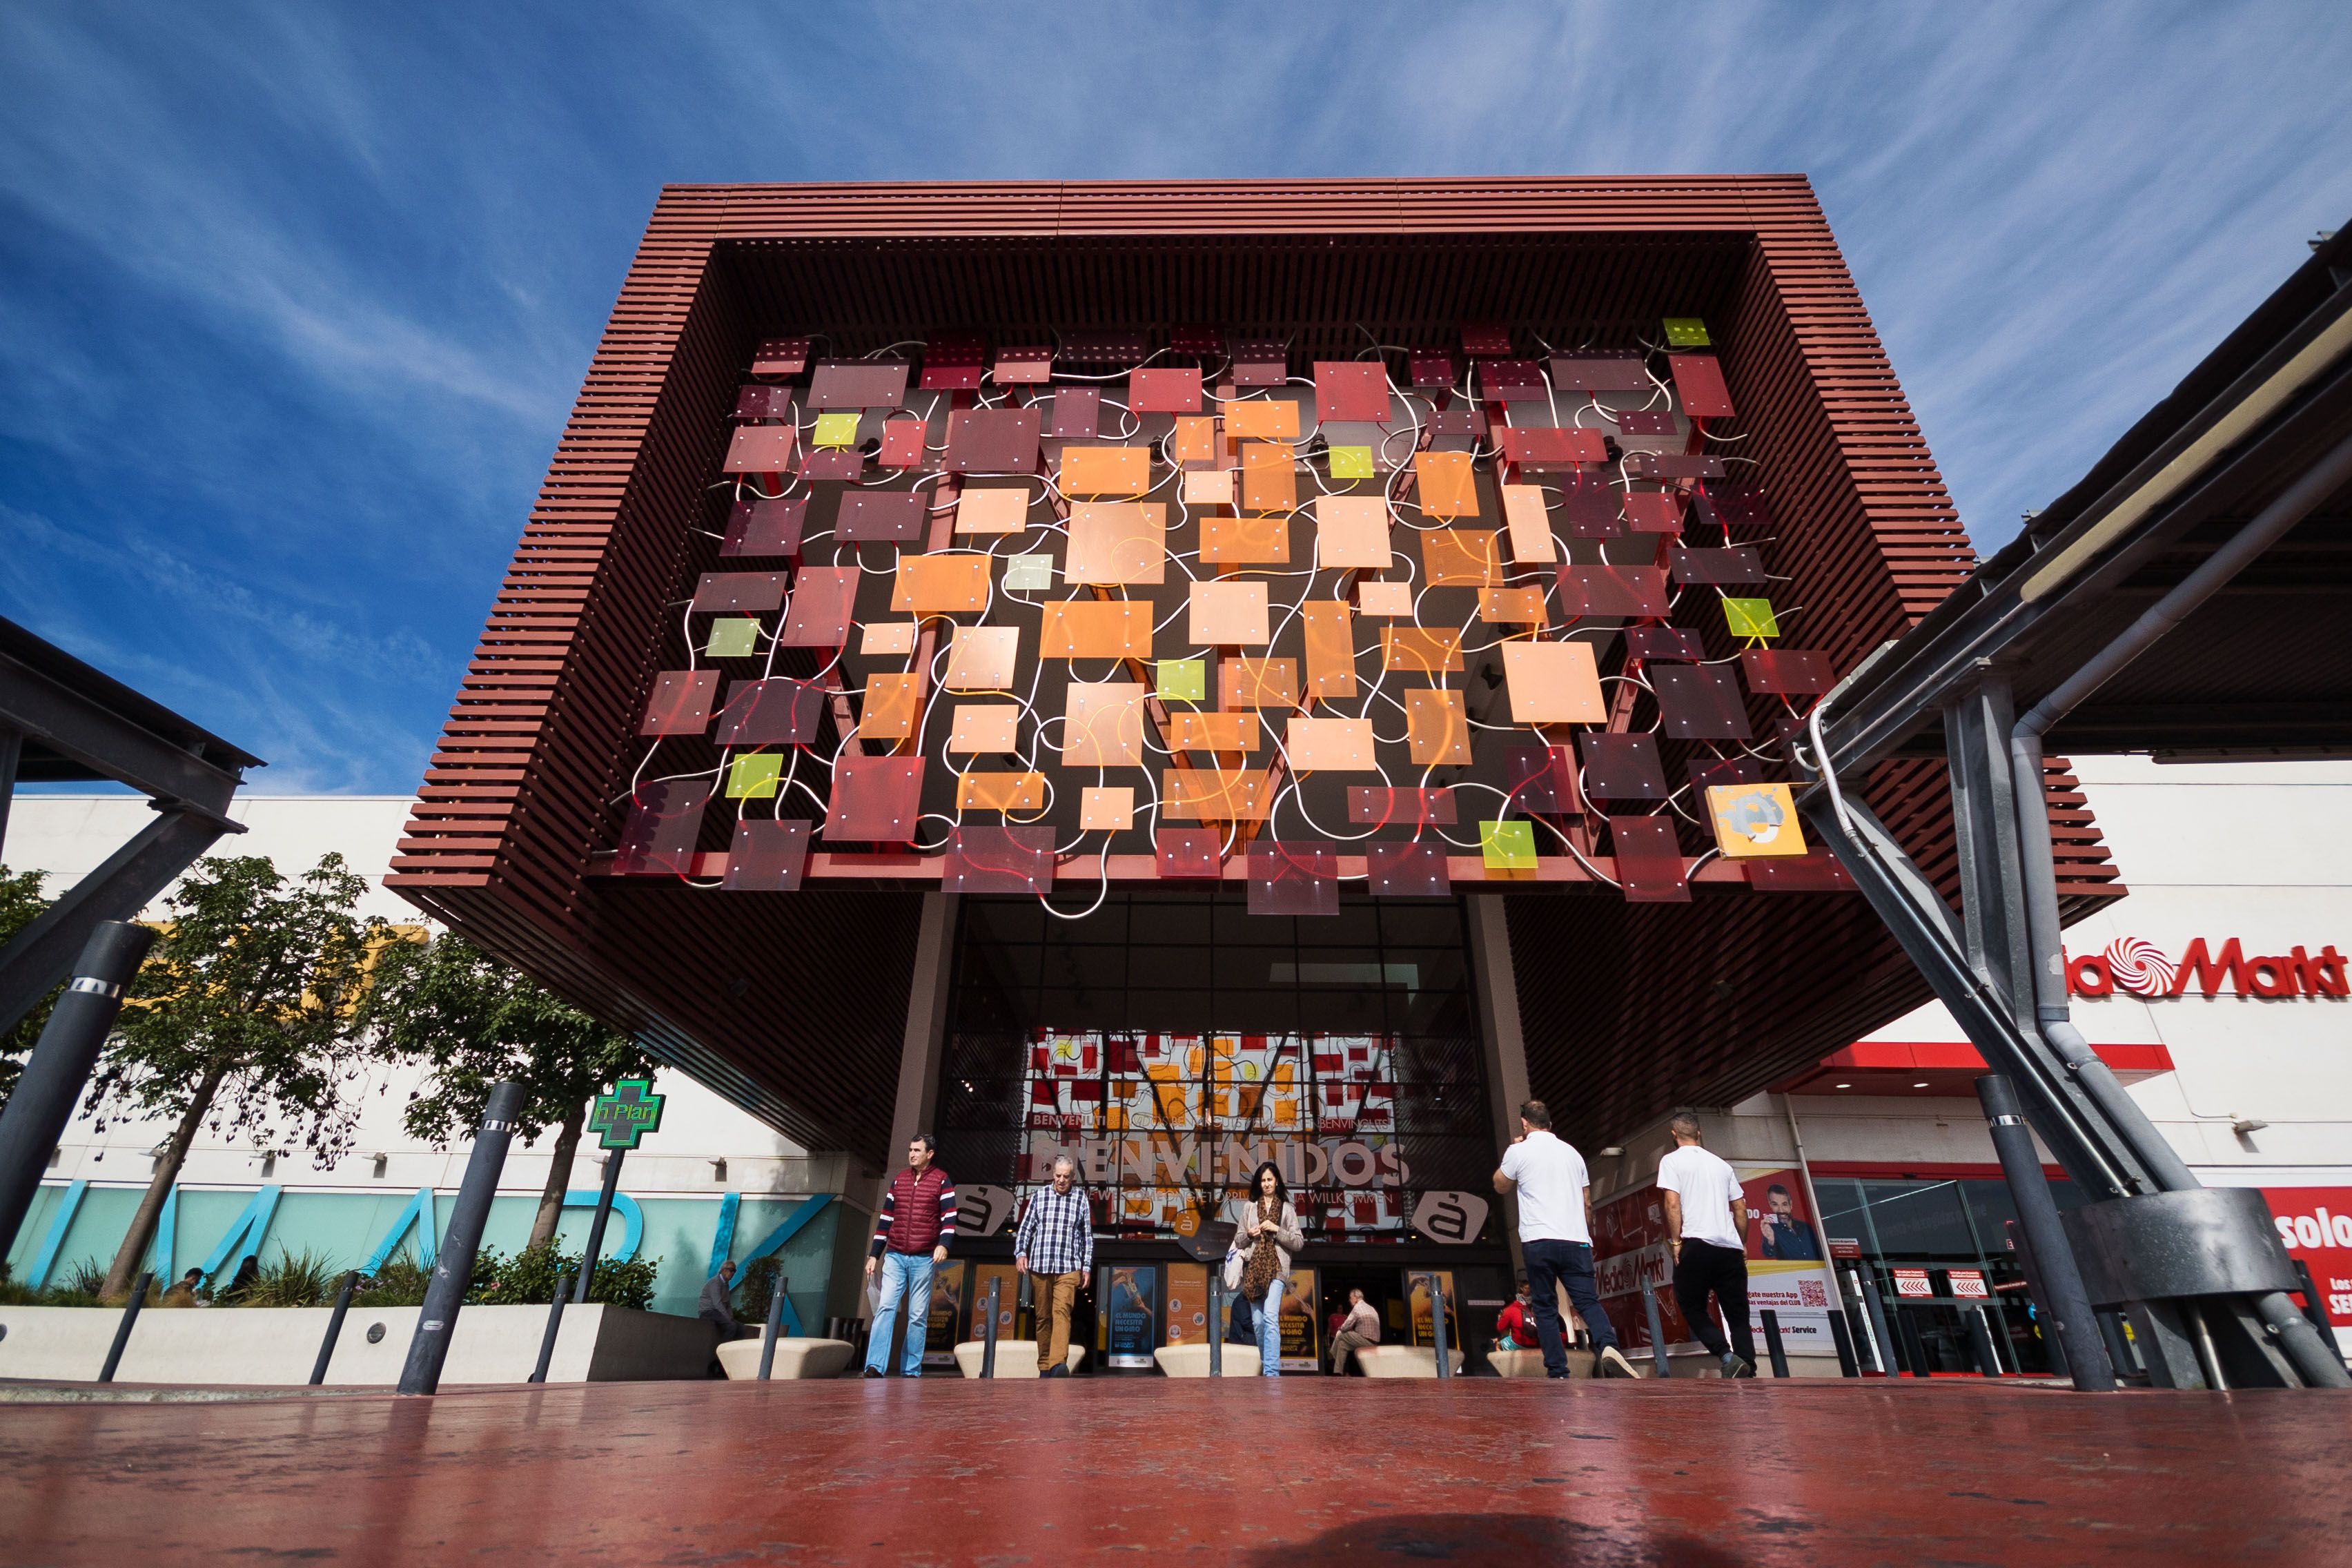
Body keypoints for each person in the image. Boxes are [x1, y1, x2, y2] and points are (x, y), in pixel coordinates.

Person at [1494, 1099, 1638, 1379]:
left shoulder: (1519, 1151)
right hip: (1576, 1241)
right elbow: (1587, 1203)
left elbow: (1500, 1185)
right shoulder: (1573, 1154)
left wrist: (1513, 1151)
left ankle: (1558, 1371)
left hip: (1539, 1240)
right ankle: (1609, 1346)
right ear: (1551, 1123)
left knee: (1546, 1307)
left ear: (1525, 1123)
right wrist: (1582, 1234)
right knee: (1587, 1301)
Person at [1656, 1110, 1758, 1378]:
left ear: (1674, 1135)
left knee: (1691, 1306)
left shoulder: (1671, 1161)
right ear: (1699, 1134)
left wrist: (1676, 1242)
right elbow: (1739, 1207)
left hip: (1696, 1244)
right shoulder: (1722, 1165)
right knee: (1738, 1313)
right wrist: (1743, 1242)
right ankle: (1747, 1363)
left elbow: (1672, 1202)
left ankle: (1726, 1355)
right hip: (1730, 1248)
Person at [862, 1132, 958, 1378]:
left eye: (917, 1150)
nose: (912, 1154)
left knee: (917, 1316)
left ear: (930, 1154)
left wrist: (944, 1245)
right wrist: (874, 1255)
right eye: (910, 1150)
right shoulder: (899, 1180)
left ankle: (911, 1370)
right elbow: (885, 1220)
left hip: (924, 1258)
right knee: (885, 1308)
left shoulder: (941, 1181)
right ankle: (874, 1365)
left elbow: (949, 1218)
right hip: (894, 1255)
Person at [1013, 1156, 1094, 1378]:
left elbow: (1087, 1237)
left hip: (1069, 1267)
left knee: (1062, 1313)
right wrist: (1021, 1252)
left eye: (1066, 1177)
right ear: (1053, 1175)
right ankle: (1045, 1367)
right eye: (1058, 1176)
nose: (1061, 1180)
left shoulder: (1080, 1199)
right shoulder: (1040, 1196)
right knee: (1042, 1316)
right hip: (1040, 1264)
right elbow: (1026, 1228)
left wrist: (1086, 1267)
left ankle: (1058, 1364)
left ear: (1073, 1178)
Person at [1235, 1160, 1303, 1376]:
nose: (1266, 1184)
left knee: (1270, 1316)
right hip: (1254, 1271)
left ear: (1277, 1181)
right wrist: (1249, 1234)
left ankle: (1272, 1373)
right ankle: (1267, 1364)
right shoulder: (1249, 1208)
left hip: (1277, 1269)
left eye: (1270, 1179)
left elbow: (1299, 1243)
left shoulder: (1287, 1209)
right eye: (1263, 1180)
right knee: (1258, 1322)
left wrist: (1277, 1229)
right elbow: (1238, 1241)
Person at [1758, 1184, 1822, 1260]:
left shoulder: (1806, 1227)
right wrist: (1770, 1241)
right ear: (1770, 1205)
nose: (1781, 1210)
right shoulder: (1771, 1230)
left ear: (1790, 1204)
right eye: (1775, 1205)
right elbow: (1768, 1253)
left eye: (1784, 1204)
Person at [1327, 1286, 1381, 1373]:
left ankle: (1332, 1353)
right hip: (1373, 1342)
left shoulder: (1357, 1307)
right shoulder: (1371, 1308)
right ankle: (1337, 1372)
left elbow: (1347, 1325)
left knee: (1341, 1333)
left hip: (1364, 1341)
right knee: (1342, 1344)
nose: (1349, 1300)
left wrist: (1340, 1329)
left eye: (1350, 1297)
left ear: (1356, 1298)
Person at [699, 1260, 756, 1340]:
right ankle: (722, 1350)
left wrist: (731, 1316)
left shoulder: (726, 1284)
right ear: (723, 1270)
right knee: (731, 1326)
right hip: (708, 1312)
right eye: (731, 1270)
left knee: (742, 1328)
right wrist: (728, 1318)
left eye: (734, 1271)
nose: (733, 1273)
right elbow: (717, 1303)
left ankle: (732, 1349)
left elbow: (728, 1303)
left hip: (718, 1312)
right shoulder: (715, 1282)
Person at [1495, 1278, 1536, 1351]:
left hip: (1521, 1342)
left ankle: (1504, 1361)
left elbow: (1500, 1328)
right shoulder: (1525, 1308)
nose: (1528, 1290)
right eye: (1526, 1288)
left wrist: (1501, 1317)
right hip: (1535, 1341)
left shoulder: (1509, 1310)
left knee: (1499, 1345)